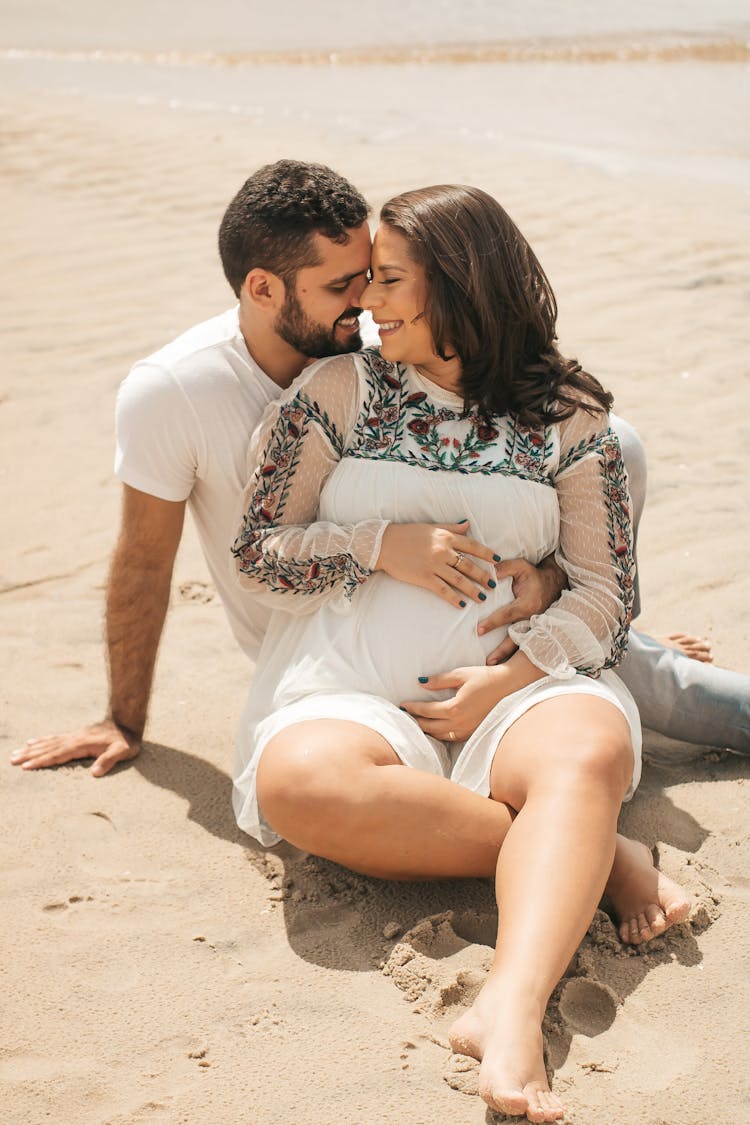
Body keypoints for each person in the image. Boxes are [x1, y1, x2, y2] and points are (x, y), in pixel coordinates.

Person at [11, 158, 748, 778]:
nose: (362, 303)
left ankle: (625, 647)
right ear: (263, 288)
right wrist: (121, 718)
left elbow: (534, 492)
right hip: (337, 657)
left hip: (509, 633)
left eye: (369, 277)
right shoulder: (178, 391)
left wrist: (569, 593)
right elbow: (145, 560)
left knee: (658, 639)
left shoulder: (388, 360)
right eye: (341, 288)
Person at [229, 184, 693, 1122]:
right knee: (299, 784)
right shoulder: (334, 394)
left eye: (389, 280)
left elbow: (610, 593)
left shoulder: (568, 415)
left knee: (587, 753)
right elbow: (257, 555)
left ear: (461, 285)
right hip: (351, 688)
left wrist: (511, 679)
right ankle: (597, 854)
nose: (366, 303)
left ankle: (511, 1009)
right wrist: (376, 543)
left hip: (519, 687)